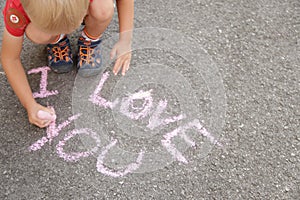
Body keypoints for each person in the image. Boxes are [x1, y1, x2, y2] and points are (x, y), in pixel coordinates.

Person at [1, 0, 134, 128]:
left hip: (88, 6)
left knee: (104, 8)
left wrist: (125, 40)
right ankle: (56, 39)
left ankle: (90, 39)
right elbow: (9, 58)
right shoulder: (16, 7)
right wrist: (30, 104)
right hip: (43, 16)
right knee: (37, 34)